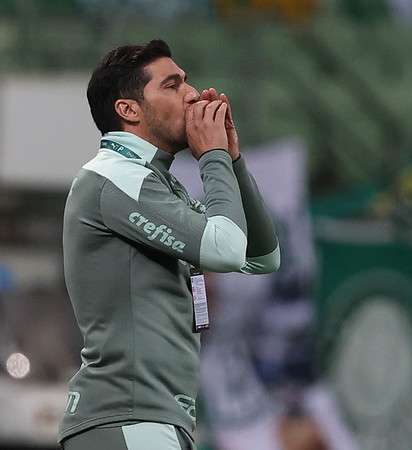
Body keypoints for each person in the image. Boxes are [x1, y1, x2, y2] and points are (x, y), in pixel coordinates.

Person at [59, 39, 280, 450]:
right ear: (129, 110)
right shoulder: (114, 176)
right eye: (173, 85)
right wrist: (211, 156)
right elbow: (226, 249)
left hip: (151, 419)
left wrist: (231, 160)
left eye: (187, 82)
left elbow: (262, 256)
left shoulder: (158, 185)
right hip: (129, 416)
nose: (193, 94)